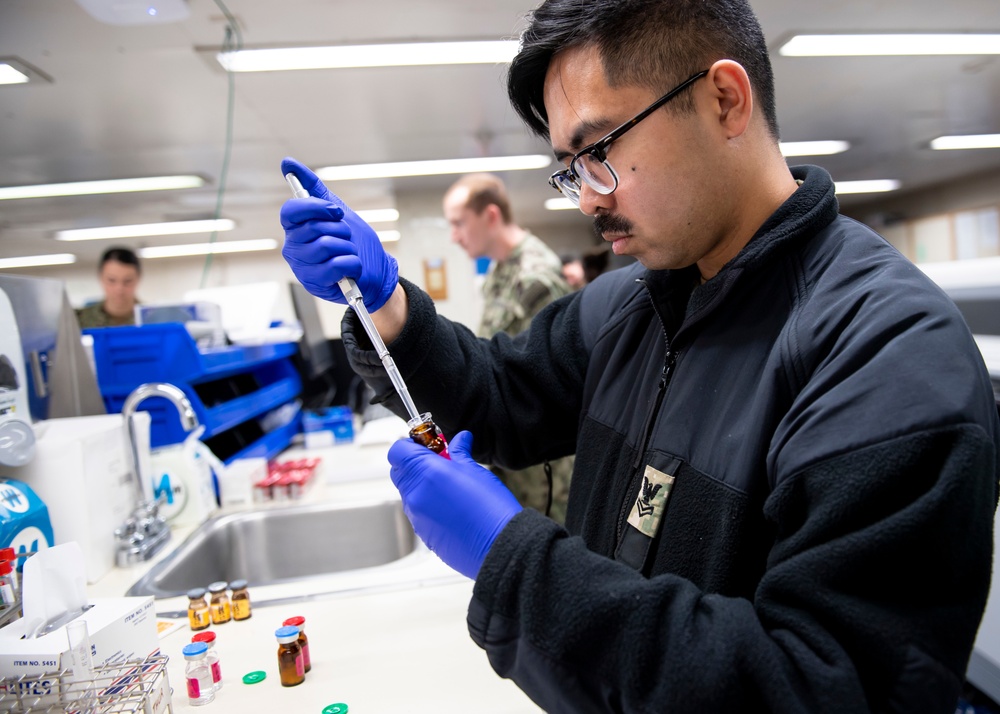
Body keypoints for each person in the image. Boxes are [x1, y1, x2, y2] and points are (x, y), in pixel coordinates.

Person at [278, 0, 1000, 711]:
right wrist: (383, 306)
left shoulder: (887, 353)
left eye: (599, 153)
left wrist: (516, 563)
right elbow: (496, 395)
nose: (587, 201)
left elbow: (815, 686)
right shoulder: (629, 305)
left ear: (724, 100)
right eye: (570, 168)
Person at [443, 173, 574, 522]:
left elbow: (553, 385)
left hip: (543, 477)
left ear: (490, 216)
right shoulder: (501, 271)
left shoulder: (536, 277)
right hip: (513, 463)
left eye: (459, 223)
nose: (454, 236)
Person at [75, 246, 142, 328]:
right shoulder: (79, 321)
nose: (119, 289)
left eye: (127, 281)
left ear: (138, 279)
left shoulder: (153, 318)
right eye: (111, 280)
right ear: (101, 278)